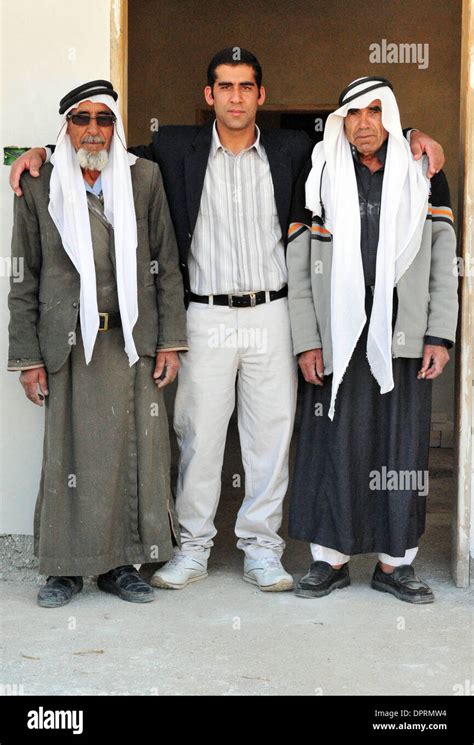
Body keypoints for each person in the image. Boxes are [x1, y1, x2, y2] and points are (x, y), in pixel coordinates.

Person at [9, 54, 445, 593]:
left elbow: (359, 133)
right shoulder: (172, 148)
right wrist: (42, 152)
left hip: (273, 312)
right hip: (204, 315)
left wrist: (413, 132)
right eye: (224, 87)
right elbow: (100, 147)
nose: (235, 97)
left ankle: (262, 550)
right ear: (208, 93)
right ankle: (192, 549)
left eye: (245, 87)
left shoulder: (295, 150)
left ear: (261, 95)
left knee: (270, 437)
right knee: (198, 436)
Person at [8, 80, 188, 607]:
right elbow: (25, 278)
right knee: (67, 457)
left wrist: (170, 343)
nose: (93, 129)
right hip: (66, 345)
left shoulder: (144, 178)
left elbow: (167, 266)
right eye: (82, 119)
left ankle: (121, 565)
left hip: (132, 343)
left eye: (104, 120)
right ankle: (63, 571)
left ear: (116, 128)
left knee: (134, 456)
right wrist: (27, 359)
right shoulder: (39, 185)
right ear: (66, 126)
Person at [286, 76, 458, 603]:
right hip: (337, 337)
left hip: (401, 335)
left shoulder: (424, 174)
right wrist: (307, 339)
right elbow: (298, 262)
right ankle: (330, 561)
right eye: (354, 113)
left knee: (400, 448)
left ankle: (394, 564)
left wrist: (439, 333)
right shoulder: (317, 172)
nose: (364, 123)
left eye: (375, 111)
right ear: (343, 120)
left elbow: (443, 259)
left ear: (391, 116)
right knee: (331, 444)